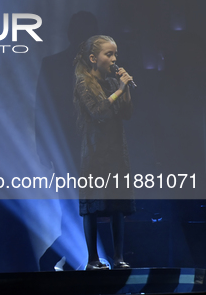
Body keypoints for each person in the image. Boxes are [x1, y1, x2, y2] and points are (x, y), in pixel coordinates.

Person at [73, 35, 135, 270]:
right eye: (109, 54)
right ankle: (92, 260)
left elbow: (126, 113)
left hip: (116, 151)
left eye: (115, 54)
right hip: (95, 152)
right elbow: (99, 111)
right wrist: (120, 90)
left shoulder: (112, 83)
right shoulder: (83, 83)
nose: (114, 59)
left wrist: (125, 89)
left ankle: (118, 257)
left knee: (117, 205)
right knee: (93, 206)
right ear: (92, 58)